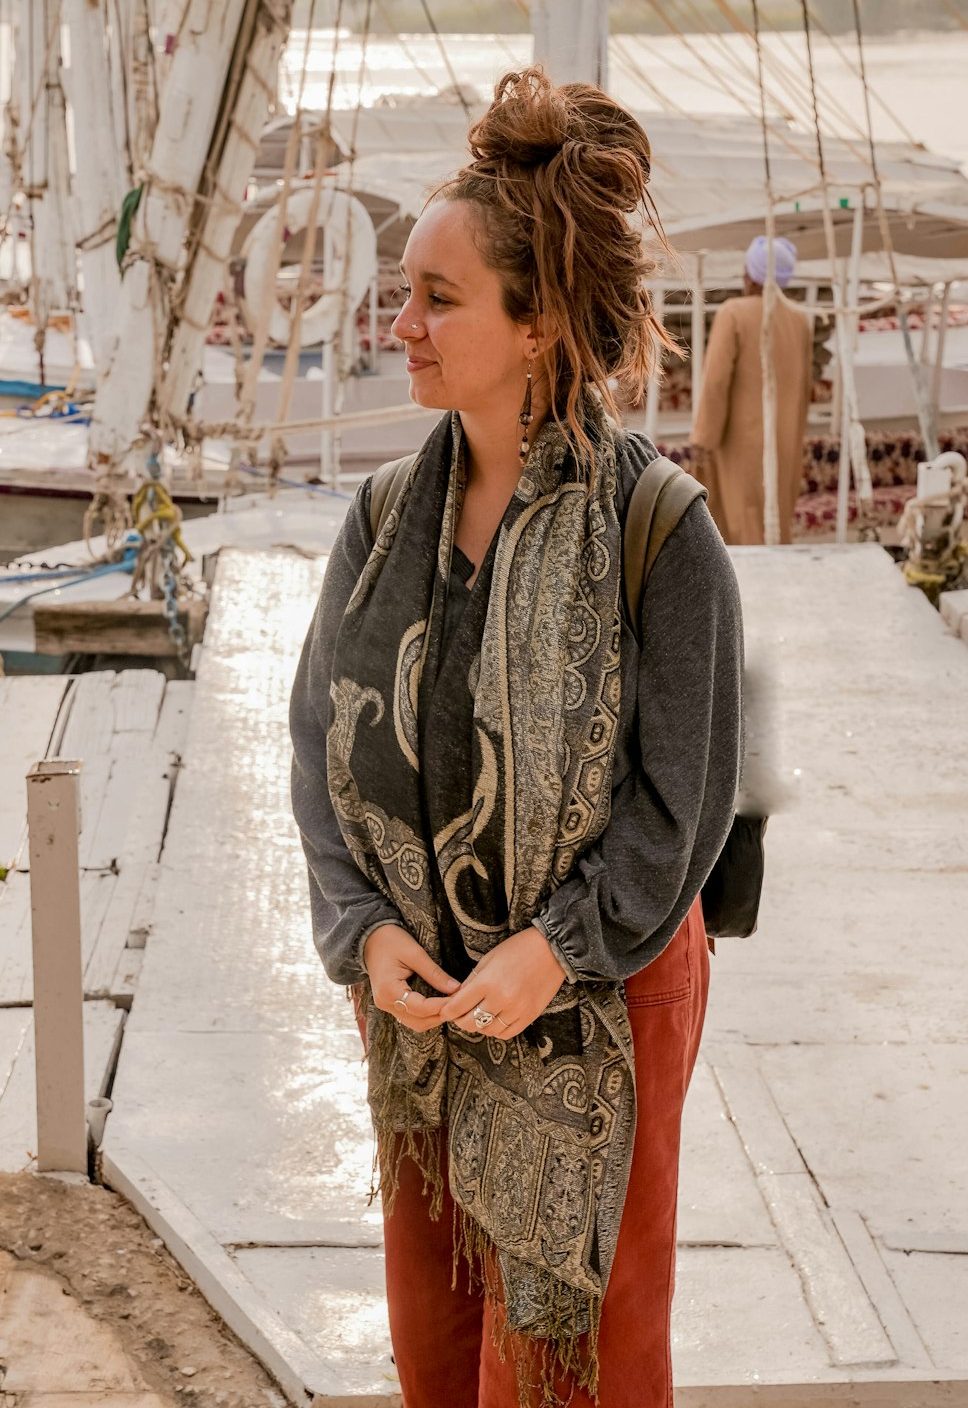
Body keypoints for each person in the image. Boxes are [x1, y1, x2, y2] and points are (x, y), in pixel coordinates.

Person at [289, 68, 742, 1408]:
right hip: (425, 1007)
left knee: (575, 1359)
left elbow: (684, 810)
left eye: (438, 298)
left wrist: (557, 948)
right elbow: (318, 746)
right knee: (436, 1350)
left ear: (536, 322)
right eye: (406, 292)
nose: (402, 324)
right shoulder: (382, 523)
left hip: (603, 989)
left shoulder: (660, 534)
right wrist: (365, 931)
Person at [690, 235, 813, 544]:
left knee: (740, 524)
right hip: (783, 443)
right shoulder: (800, 320)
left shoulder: (733, 312)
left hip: (739, 444)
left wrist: (703, 439)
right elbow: (803, 393)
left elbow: (716, 381)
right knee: (774, 520)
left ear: (753, 275)